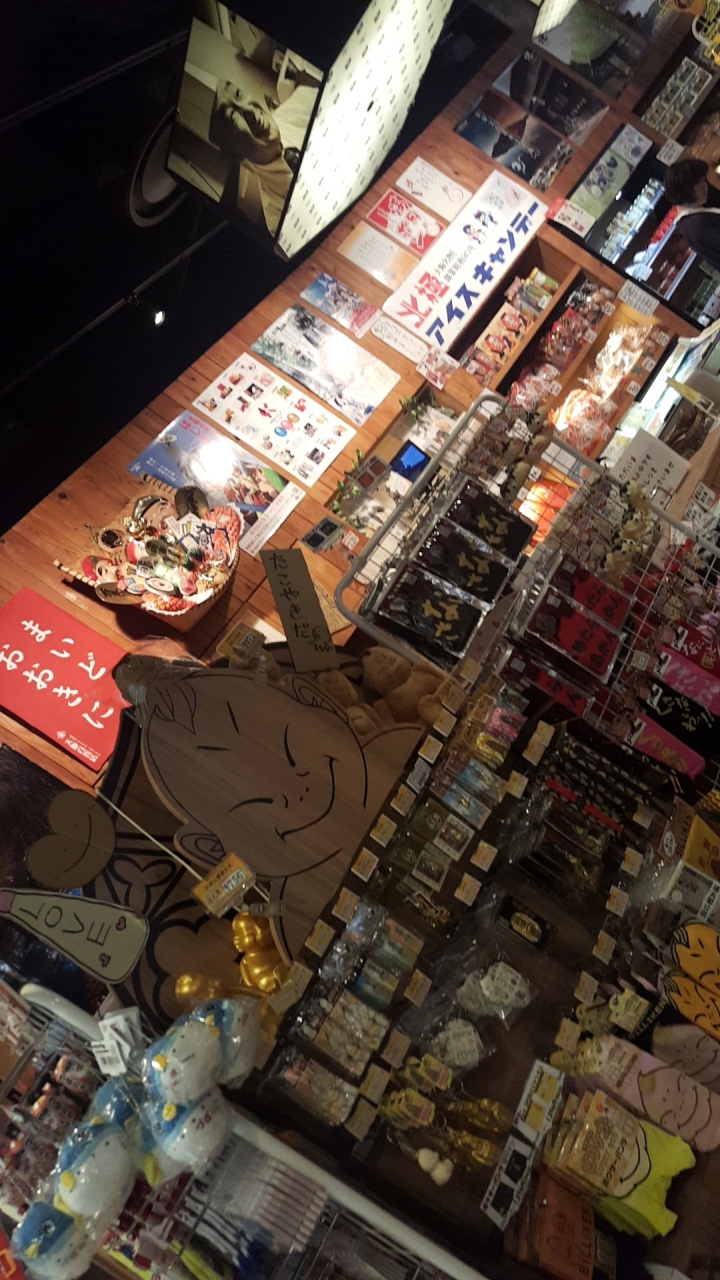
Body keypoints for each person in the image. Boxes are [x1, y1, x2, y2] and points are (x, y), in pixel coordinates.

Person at [209, 78, 317, 236]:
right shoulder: (278, 219)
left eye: (238, 94)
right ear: (234, 154)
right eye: (233, 118)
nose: (249, 111)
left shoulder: (304, 100)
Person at [664, 158, 720, 272]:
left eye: (703, 179)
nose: (704, 185)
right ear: (685, 190)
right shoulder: (696, 225)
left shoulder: (692, 221)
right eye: (698, 182)